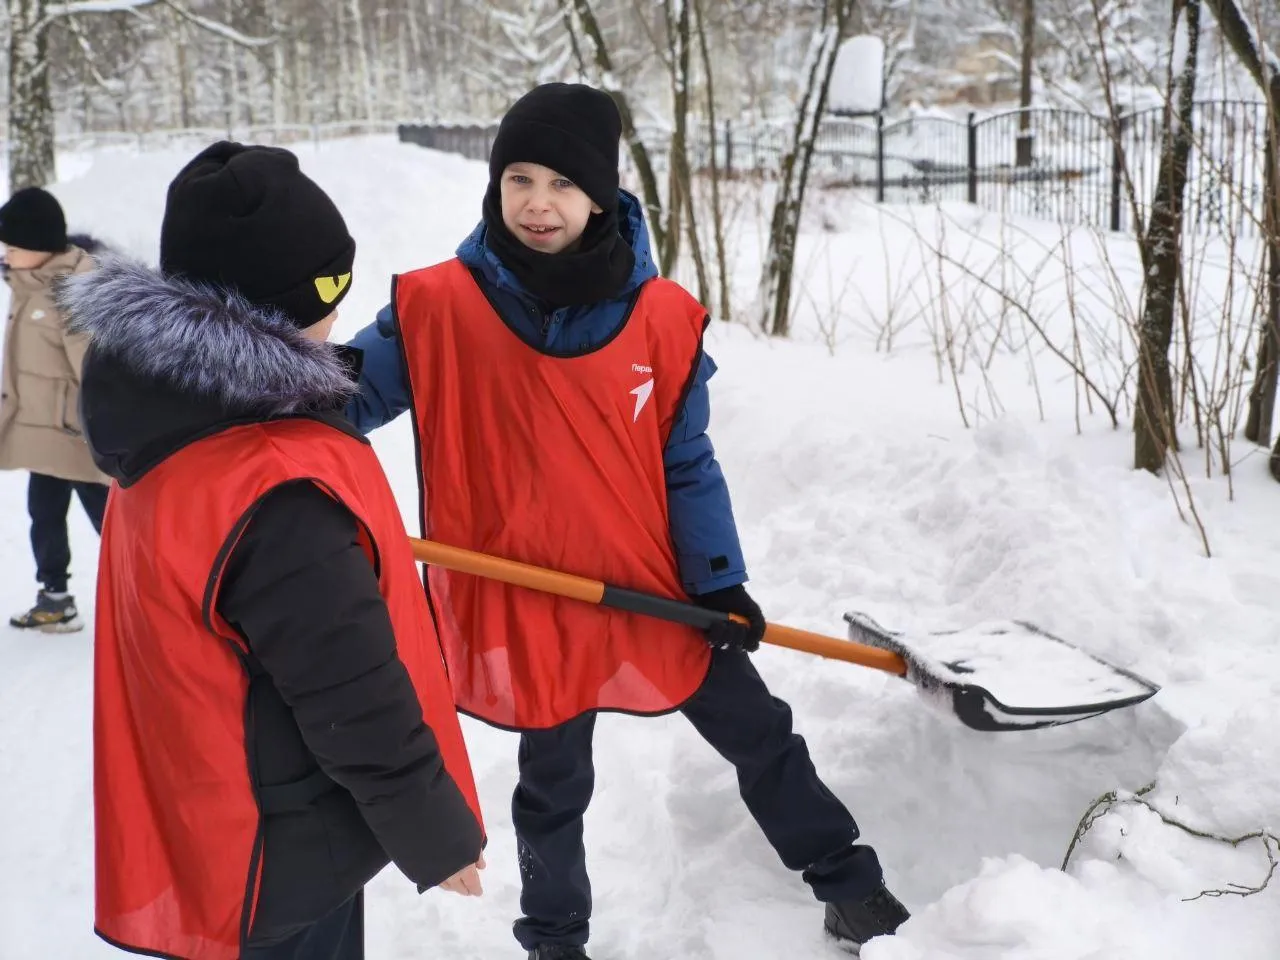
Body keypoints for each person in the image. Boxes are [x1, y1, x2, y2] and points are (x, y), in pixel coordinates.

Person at [344, 83, 910, 959]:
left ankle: (851, 887)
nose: (538, 202)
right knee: (554, 786)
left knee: (762, 736)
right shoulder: (437, 309)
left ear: (603, 194)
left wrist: (719, 577)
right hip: (532, 597)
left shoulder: (661, 318)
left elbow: (686, 460)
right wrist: (221, 393)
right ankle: (556, 940)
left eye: (564, 184)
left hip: (654, 592)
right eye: (519, 178)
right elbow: (336, 403)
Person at [57, 141, 487, 960]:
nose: (338, 318)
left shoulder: (169, 411)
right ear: (292, 304)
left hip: (213, 802)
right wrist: (434, 831)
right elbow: (351, 689)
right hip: (279, 842)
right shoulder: (273, 483)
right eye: (334, 293)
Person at [0, 186, 111, 632]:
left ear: (40, 246)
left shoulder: (71, 292)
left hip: (75, 436)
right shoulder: (27, 286)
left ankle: (153, 595)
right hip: (41, 433)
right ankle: (55, 597)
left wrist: (104, 427)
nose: (5, 255)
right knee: (42, 515)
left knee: (112, 522)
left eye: (12, 247)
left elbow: (94, 370)